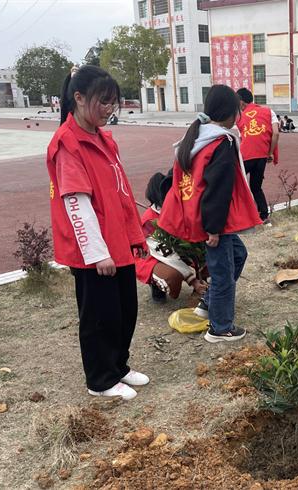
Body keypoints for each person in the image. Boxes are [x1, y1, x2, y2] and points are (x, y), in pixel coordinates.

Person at [46, 65, 148, 401]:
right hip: (95, 249)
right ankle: (100, 378)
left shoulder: (104, 138)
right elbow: (76, 202)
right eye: (102, 102)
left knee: (124, 310)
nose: (108, 109)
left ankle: (118, 366)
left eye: (113, 103)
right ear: (78, 98)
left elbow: (118, 193)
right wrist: (97, 252)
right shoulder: (68, 143)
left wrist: (134, 235)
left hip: (117, 240)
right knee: (99, 316)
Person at [158, 85, 261, 343]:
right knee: (223, 270)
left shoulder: (199, 137)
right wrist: (213, 229)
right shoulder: (220, 143)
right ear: (231, 112)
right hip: (214, 223)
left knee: (239, 254)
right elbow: (218, 190)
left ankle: (208, 303)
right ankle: (220, 327)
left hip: (199, 216)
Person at [135, 171, 208, 303]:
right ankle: (156, 285)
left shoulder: (180, 210)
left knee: (208, 258)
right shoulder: (149, 222)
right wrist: (192, 280)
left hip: (178, 252)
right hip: (154, 257)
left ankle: (201, 288)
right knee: (172, 275)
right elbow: (166, 254)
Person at [236, 88, 280, 224]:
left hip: (245, 156)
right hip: (261, 156)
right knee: (256, 187)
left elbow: (241, 139)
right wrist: (270, 152)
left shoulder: (239, 117)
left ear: (242, 103)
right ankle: (264, 216)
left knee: (237, 185)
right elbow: (276, 133)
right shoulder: (268, 111)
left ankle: (241, 216)